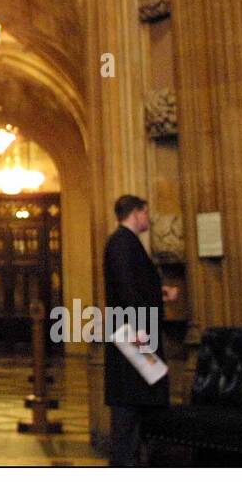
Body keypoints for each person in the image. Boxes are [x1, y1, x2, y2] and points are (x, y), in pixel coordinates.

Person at [103, 194, 176, 466]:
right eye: (146, 213)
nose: (149, 218)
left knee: (139, 403)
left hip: (135, 333)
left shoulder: (127, 243)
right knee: (128, 408)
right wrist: (136, 327)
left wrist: (160, 292)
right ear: (136, 213)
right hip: (132, 338)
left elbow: (135, 284)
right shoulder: (122, 243)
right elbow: (125, 288)